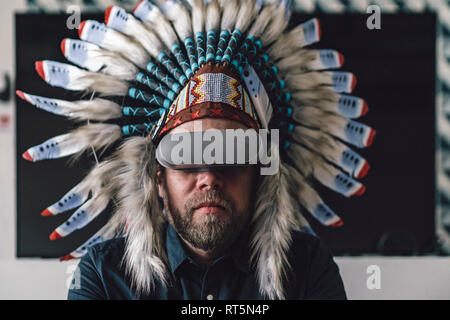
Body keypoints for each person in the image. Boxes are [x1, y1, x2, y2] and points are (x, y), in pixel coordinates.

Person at [18, 0, 374, 300]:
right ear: (158, 177)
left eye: (233, 154)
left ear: (259, 174)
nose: (209, 177)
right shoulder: (104, 274)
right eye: (186, 157)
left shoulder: (307, 267)